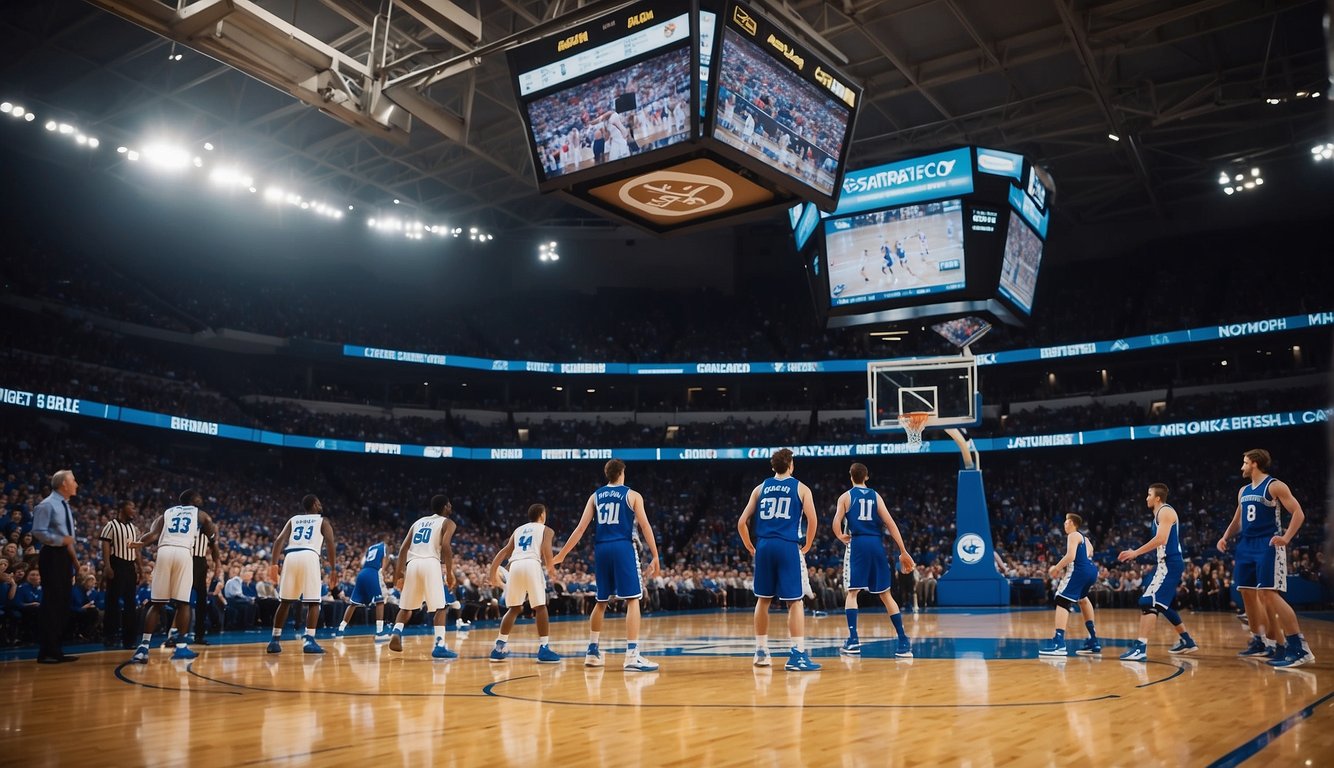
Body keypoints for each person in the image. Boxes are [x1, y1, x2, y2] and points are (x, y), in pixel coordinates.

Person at [554, 459, 662, 672]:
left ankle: (592, 651)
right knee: (633, 599)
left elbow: (581, 528)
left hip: (601, 548)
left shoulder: (595, 496)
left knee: (601, 600)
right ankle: (632, 655)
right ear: (622, 473)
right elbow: (645, 526)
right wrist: (656, 555)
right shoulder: (632, 495)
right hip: (623, 546)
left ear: (607, 475)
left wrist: (562, 554)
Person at [1217, 449, 1315, 668]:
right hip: (1246, 545)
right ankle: (1264, 642)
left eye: (1244, 462)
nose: (1241, 466)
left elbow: (1298, 512)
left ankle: (1298, 647)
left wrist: (1287, 537)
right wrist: (1224, 537)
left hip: (1267, 544)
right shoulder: (1243, 491)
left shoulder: (1274, 485)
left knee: (1269, 595)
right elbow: (1238, 520)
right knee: (1247, 593)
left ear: (1254, 464)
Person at [737, 448, 820, 672]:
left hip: (763, 546)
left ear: (773, 466)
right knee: (795, 601)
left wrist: (748, 545)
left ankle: (761, 651)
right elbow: (813, 520)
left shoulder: (760, 488)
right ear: (791, 464)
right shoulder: (801, 488)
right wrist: (809, 543)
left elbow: (742, 521)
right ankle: (797, 654)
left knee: (763, 600)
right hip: (787, 545)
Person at [830, 463, 913, 658]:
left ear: (851, 477)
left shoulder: (846, 497)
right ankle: (903, 641)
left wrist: (840, 535)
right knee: (886, 594)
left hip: (858, 544)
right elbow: (890, 523)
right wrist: (903, 550)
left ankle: (853, 640)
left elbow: (836, 521)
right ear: (866, 477)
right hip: (876, 544)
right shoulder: (876, 496)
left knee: (852, 593)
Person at [132, 490, 220, 663]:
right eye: (198, 496)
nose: (201, 498)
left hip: (163, 551)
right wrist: (210, 536)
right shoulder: (200, 514)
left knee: (157, 603)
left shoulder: (167, 513)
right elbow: (210, 530)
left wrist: (140, 542)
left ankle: (143, 648)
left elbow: (153, 535)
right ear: (192, 499)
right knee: (183, 603)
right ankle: (181, 648)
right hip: (183, 553)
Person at [1116, 484, 1199, 660]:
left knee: (1148, 602)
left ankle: (1140, 648)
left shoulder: (1165, 512)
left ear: (1158, 498)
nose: (1146, 498)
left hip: (1170, 563)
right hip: (1165, 564)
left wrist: (1135, 552)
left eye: (1149, 494)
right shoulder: (1158, 514)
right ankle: (1187, 641)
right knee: (1163, 605)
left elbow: (1161, 539)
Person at [488, 503, 562, 664]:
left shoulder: (518, 529)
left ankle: (499, 646)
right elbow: (547, 550)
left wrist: (492, 572)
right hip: (531, 564)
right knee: (540, 606)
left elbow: (505, 551)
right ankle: (544, 648)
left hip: (515, 565)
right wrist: (551, 569)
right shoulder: (546, 529)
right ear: (542, 515)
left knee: (514, 608)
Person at [266, 494, 337, 655]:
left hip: (290, 556)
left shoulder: (294, 519)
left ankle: (274, 640)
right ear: (313, 505)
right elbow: (330, 543)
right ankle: (309, 640)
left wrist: (274, 565)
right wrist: (333, 569)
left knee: (285, 602)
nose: (320, 505)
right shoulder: (323, 521)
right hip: (309, 556)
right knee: (313, 602)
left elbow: (278, 541)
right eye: (318, 503)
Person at [388, 494, 457, 659]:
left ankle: (396, 632)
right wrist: (449, 572)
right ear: (446, 506)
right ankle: (440, 645)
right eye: (449, 505)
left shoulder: (417, 522)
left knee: (406, 607)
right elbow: (446, 546)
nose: (451, 507)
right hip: (430, 563)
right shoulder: (448, 522)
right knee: (440, 607)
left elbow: (403, 549)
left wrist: (398, 575)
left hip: (412, 564)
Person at [31, 469, 80, 664]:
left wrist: (75, 562)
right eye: (73, 480)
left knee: (62, 603)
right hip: (51, 554)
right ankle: (46, 650)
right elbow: (38, 531)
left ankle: (55, 648)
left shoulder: (65, 505)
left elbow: (68, 539)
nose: (76, 484)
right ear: (64, 484)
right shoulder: (47, 505)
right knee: (52, 603)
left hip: (63, 556)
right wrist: (60, 540)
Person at [1039, 513, 1102, 656]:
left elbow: (1071, 556)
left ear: (1073, 523)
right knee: (1083, 600)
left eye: (1066, 522)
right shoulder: (1086, 539)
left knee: (1062, 599)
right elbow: (1090, 552)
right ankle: (1093, 640)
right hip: (1092, 571)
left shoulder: (1073, 535)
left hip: (1080, 570)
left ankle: (1059, 643)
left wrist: (1056, 568)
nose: (1064, 524)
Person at [99, 500, 142, 649]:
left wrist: (141, 569)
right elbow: (105, 545)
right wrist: (108, 566)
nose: (134, 510)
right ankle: (109, 636)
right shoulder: (111, 525)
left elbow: (136, 550)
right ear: (122, 508)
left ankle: (129, 639)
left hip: (130, 566)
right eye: (132, 507)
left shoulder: (132, 528)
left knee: (130, 603)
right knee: (112, 602)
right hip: (116, 564)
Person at [338, 535, 391, 641]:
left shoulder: (370, 548)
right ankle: (379, 633)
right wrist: (383, 571)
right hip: (372, 572)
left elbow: (364, 561)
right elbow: (386, 560)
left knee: (353, 603)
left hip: (362, 573)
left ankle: (340, 629)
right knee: (380, 601)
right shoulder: (384, 546)